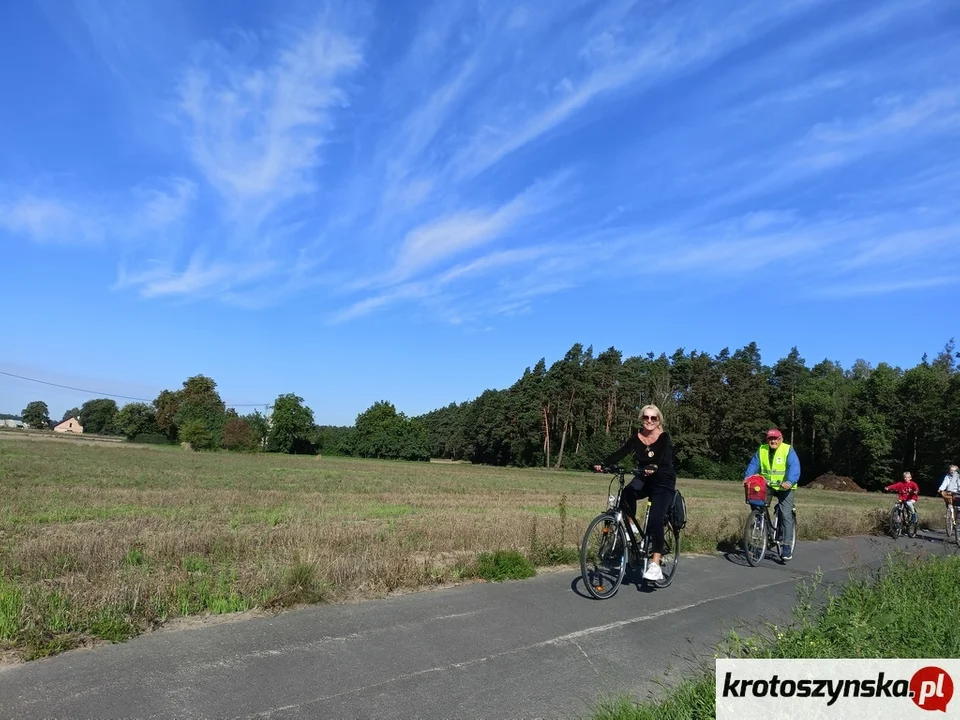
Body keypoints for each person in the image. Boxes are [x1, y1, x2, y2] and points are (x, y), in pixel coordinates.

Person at [593, 404, 676, 583]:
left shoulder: (664, 437)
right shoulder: (637, 437)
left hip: (663, 481)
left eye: (653, 418)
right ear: (641, 419)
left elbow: (659, 455)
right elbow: (621, 452)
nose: (649, 421)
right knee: (626, 494)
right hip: (644, 477)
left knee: (655, 519)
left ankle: (655, 564)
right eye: (646, 417)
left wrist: (654, 466)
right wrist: (603, 464)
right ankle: (631, 532)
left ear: (659, 420)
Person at [744, 429, 800, 560]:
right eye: (770, 439)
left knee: (785, 513)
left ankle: (786, 545)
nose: (773, 441)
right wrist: (748, 478)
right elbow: (753, 465)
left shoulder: (788, 450)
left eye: (775, 438)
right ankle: (760, 530)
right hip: (767, 485)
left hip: (785, 486)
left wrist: (790, 481)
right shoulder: (762, 449)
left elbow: (794, 466)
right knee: (756, 504)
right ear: (767, 440)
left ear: (781, 439)